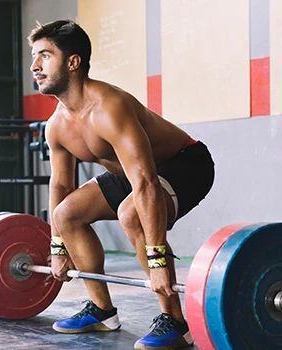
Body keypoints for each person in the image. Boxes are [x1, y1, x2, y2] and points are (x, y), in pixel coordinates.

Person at [28, 19, 214, 350]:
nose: (35, 66)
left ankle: (175, 321)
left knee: (132, 213)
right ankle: (102, 311)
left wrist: (157, 261)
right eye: (34, 56)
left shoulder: (109, 108)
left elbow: (144, 182)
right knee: (67, 214)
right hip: (132, 173)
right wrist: (58, 247)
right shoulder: (56, 126)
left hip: (186, 163)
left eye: (45, 55)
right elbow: (60, 188)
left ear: (73, 62)